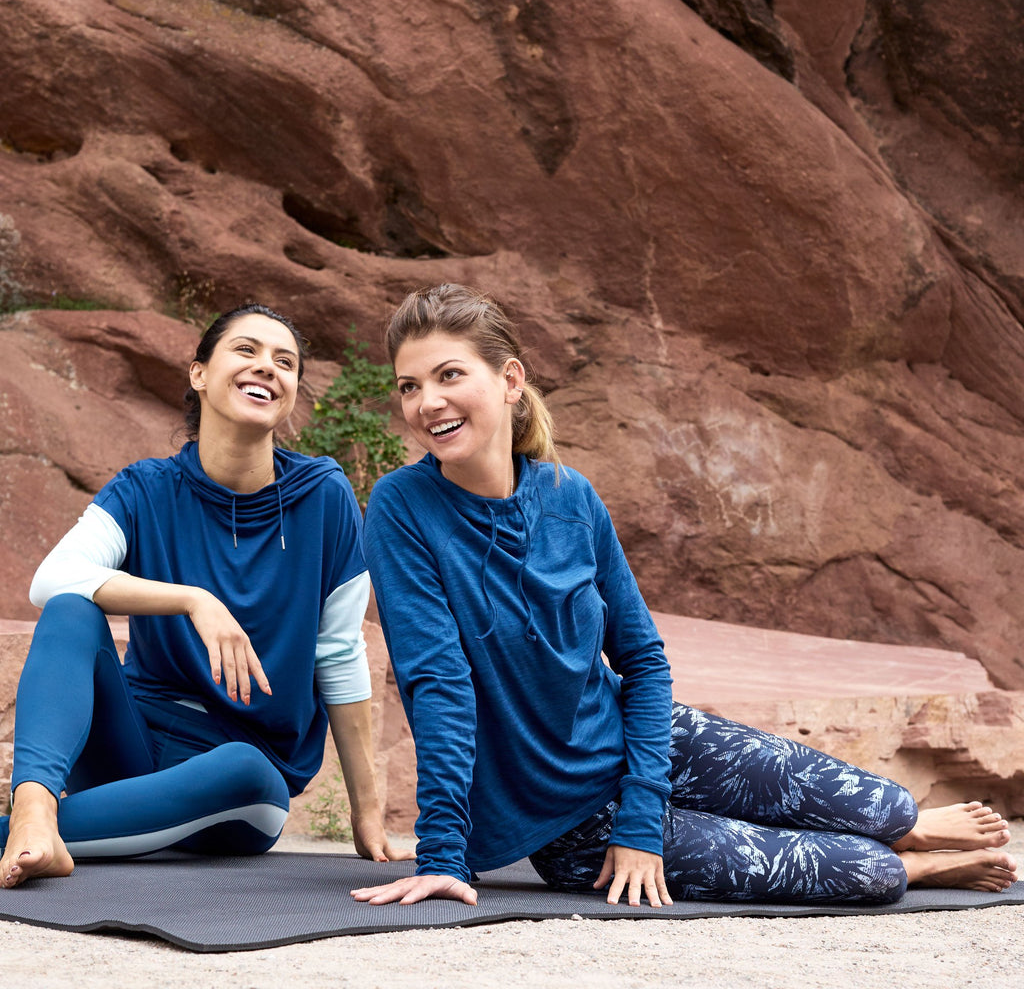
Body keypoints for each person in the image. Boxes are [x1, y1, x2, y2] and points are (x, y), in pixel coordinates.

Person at [352, 283, 1017, 909]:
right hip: (570, 821)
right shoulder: (401, 508)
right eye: (409, 386)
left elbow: (642, 661)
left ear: (510, 381)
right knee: (871, 877)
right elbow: (438, 684)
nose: (426, 403)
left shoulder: (570, 497)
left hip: (647, 741)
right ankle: (918, 861)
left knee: (884, 805)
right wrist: (442, 856)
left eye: (449, 375)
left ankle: (910, 830)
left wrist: (643, 817)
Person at [1, 303, 411, 889]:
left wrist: (367, 812)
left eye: (285, 361)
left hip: (241, 779)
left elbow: (339, 654)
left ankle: (29, 835)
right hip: (130, 753)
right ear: (199, 373)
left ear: (293, 391)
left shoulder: (324, 496)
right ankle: (35, 811)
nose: (267, 367)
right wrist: (193, 598)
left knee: (246, 769)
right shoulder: (145, 488)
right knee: (71, 609)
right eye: (246, 351)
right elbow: (52, 579)